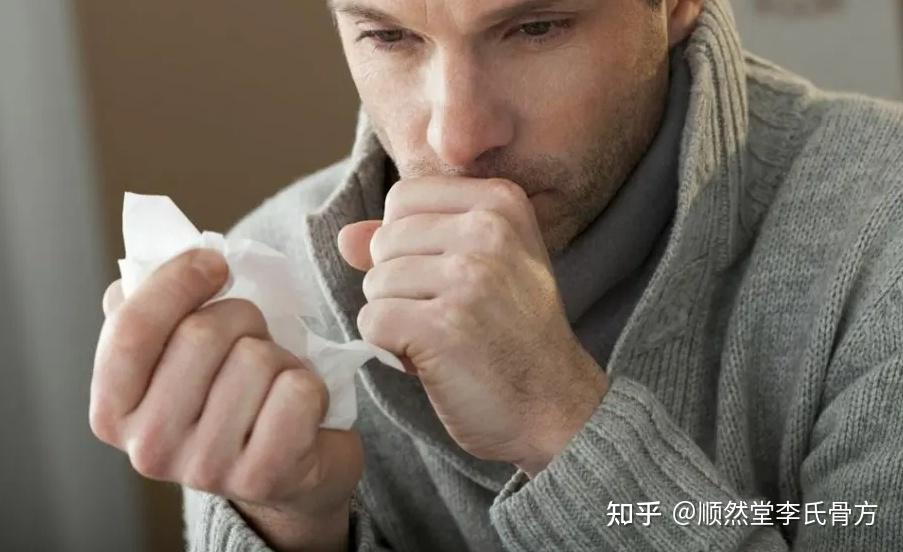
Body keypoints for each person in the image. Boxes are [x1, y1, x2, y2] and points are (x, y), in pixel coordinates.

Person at [90, 0, 903, 550]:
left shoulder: (881, 230)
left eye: (536, 28)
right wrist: (290, 523)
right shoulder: (266, 286)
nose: (456, 138)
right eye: (387, 36)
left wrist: (558, 421)